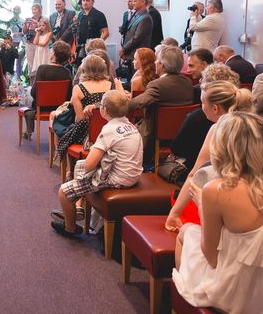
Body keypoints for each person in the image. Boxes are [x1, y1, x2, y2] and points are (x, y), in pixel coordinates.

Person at [172, 111, 263, 314]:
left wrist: (203, 207)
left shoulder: (218, 189)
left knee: (186, 231)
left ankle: (183, 306)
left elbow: (211, 257)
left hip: (235, 292)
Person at [165, 80, 253, 234]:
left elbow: (194, 175)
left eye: (202, 103)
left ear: (215, 108)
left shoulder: (218, 129)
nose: (201, 107)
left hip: (222, 201)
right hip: (253, 200)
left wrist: (174, 213)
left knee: (182, 207)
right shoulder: (254, 125)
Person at [51, 90, 143, 237]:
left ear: (104, 110)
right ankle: (78, 205)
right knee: (80, 165)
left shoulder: (108, 130)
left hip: (118, 179)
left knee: (63, 191)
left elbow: (89, 165)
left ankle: (70, 228)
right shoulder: (131, 126)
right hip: (133, 174)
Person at [128, 46, 194, 168]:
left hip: (154, 135)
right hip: (183, 133)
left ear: (162, 65)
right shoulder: (188, 82)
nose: (155, 63)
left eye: (157, 60)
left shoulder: (157, 85)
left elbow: (134, 104)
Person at [56, 55, 123, 172]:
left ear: (84, 69)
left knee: (66, 132)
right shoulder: (112, 86)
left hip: (88, 135)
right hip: (111, 131)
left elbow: (80, 118)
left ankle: (70, 170)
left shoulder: (78, 88)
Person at [170, 64, 240, 175]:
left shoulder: (199, 118)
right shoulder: (246, 117)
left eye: (203, 79)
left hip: (202, 172)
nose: (200, 80)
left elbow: (177, 149)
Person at [23, 40, 73, 139]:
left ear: (54, 53)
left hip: (41, 108)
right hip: (59, 108)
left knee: (28, 92)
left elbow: (34, 93)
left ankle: (28, 130)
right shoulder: (67, 72)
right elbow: (69, 95)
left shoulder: (42, 69)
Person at [119, 0, 153, 79]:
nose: (133, 3)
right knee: (130, 81)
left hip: (138, 55)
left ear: (143, 2)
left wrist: (124, 49)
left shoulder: (146, 18)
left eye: (135, 1)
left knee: (137, 81)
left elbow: (137, 38)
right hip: (131, 54)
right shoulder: (136, 15)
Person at [73, 0, 109, 64]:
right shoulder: (80, 15)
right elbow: (78, 33)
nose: (85, 3)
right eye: (83, 0)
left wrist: (97, 44)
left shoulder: (99, 14)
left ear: (93, 2)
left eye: (87, 0)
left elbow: (106, 32)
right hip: (81, 49)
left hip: (93, 50)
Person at [22, 3, 43, 74]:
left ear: (40, 10)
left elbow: (46, 31)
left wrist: (37, 23)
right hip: (29, 43)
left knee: (40, 63)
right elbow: (24, 32)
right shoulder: (29, 19)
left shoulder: (44, 19)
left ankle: (39, 81)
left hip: (39, 44)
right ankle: (32, 83)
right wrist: (25, 24)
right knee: (30, 64)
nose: (33, 11)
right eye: (32, 9)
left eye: (35, 9)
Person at [7, 6, 24, 78]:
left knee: (19, 59)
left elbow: (24, 32)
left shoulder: (22, 21)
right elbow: (7, 30)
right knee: (11, 58)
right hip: (12, 42)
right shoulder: (10, 21)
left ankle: (19, 75)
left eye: (17, 10)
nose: (15, 12)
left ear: (19, 12)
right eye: (14, 10)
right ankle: (11, 74)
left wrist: (18, 34)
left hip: (20, 42)